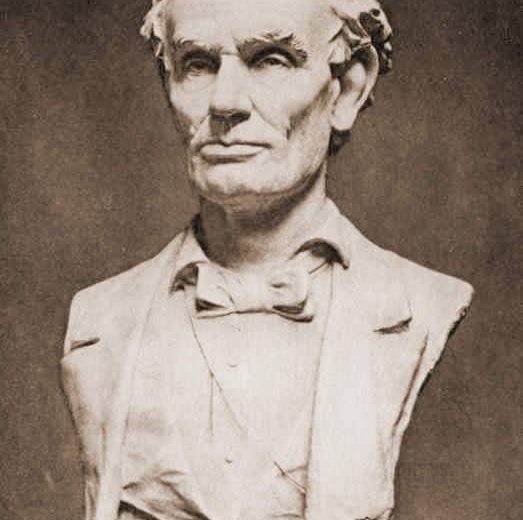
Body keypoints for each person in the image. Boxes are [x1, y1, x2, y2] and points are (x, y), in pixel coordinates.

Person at [60, 0, 474, 519]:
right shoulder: (101, 323)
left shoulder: (418, 307)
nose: (225, 103)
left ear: (347, 88)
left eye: (271, 60)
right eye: (198, 64)